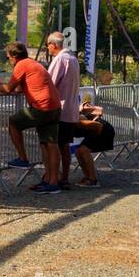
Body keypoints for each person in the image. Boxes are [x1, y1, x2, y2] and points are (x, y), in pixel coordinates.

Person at [0, 41, 62, 193]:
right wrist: (0, 84)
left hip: (41, 107)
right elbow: (18, 88)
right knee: (49, 144)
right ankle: (52, 182)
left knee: (13, 121)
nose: (8, 61)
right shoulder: (33, 63)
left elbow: (7, 89)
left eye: (7, 58)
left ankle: (23, 158)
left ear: (14, 56)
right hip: (54, 107)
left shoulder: (22, 65)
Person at [45, 31, 81, 189]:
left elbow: (49, 82)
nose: (47, 48)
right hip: (70, 109)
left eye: (48, 45)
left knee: (52, 145)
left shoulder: (60, 59)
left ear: (53, 45)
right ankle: (64, 177)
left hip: (59, 109)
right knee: (64, 146)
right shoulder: (73, 59)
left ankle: (52, 178)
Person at [71, 99, 113, 186]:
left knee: (83, 150)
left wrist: (93, 140)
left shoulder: (77, 122)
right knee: (78, 152)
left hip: (103, 130)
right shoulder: (66, 123)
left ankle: (92, 179)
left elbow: (99, 126)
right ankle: (87, 177)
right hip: (95, 130)